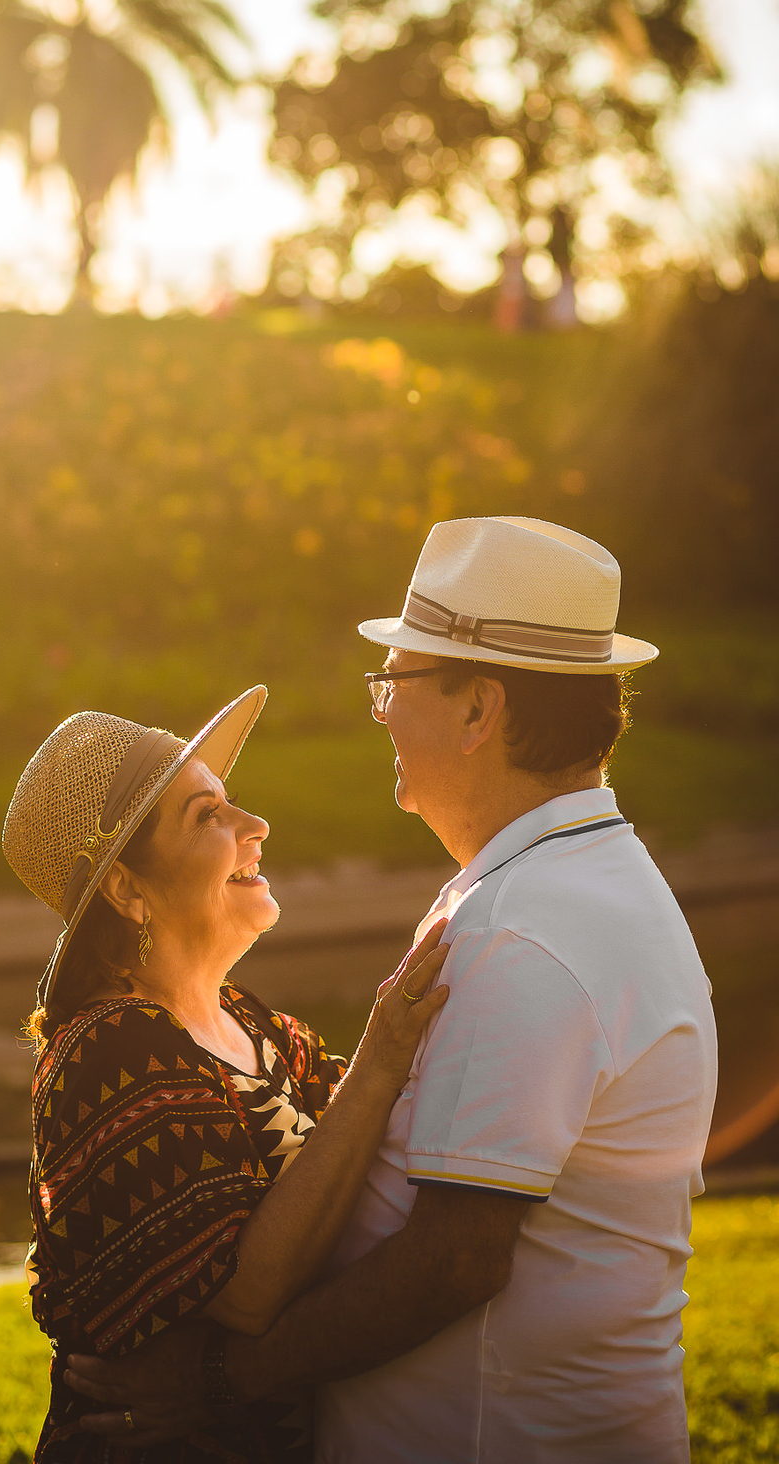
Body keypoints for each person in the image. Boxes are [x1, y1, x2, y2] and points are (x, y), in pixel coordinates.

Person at [68, 515, 718, 1463]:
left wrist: (216, 1382)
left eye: (396, 684)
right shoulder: (563, 885)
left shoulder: (523, 928)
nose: (380, 712)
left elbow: (455, 1259)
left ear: (476, 712)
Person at [2, 685, 450, 1462]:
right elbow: (245, 1295)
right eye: (207, 816)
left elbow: (368, 1157)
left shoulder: (257, 1027)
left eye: (229, 803)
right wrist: (379, 1059)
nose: (255, 827)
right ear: (127, 890)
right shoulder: (113, 1049)